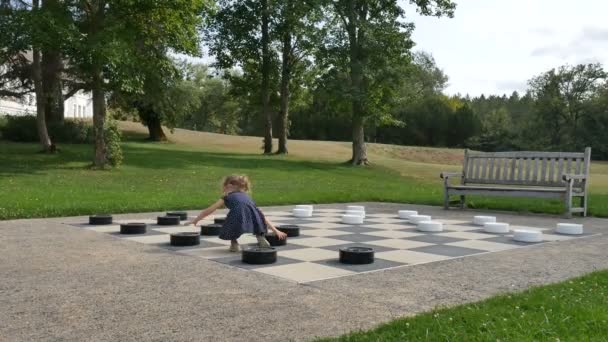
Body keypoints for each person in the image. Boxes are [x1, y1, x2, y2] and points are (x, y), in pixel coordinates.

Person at [185, 175, 287, 252]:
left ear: (229, 186)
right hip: (254, 215)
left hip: (237, 215)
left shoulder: (226, 197)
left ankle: (234, 243)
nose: (223, 188)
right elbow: (261, 215)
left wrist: (196, 219)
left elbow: (210, 210)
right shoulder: (247, 198)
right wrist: (275, 230)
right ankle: (260, 237)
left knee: (230, 224)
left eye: (224, 186)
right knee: (257, 218)